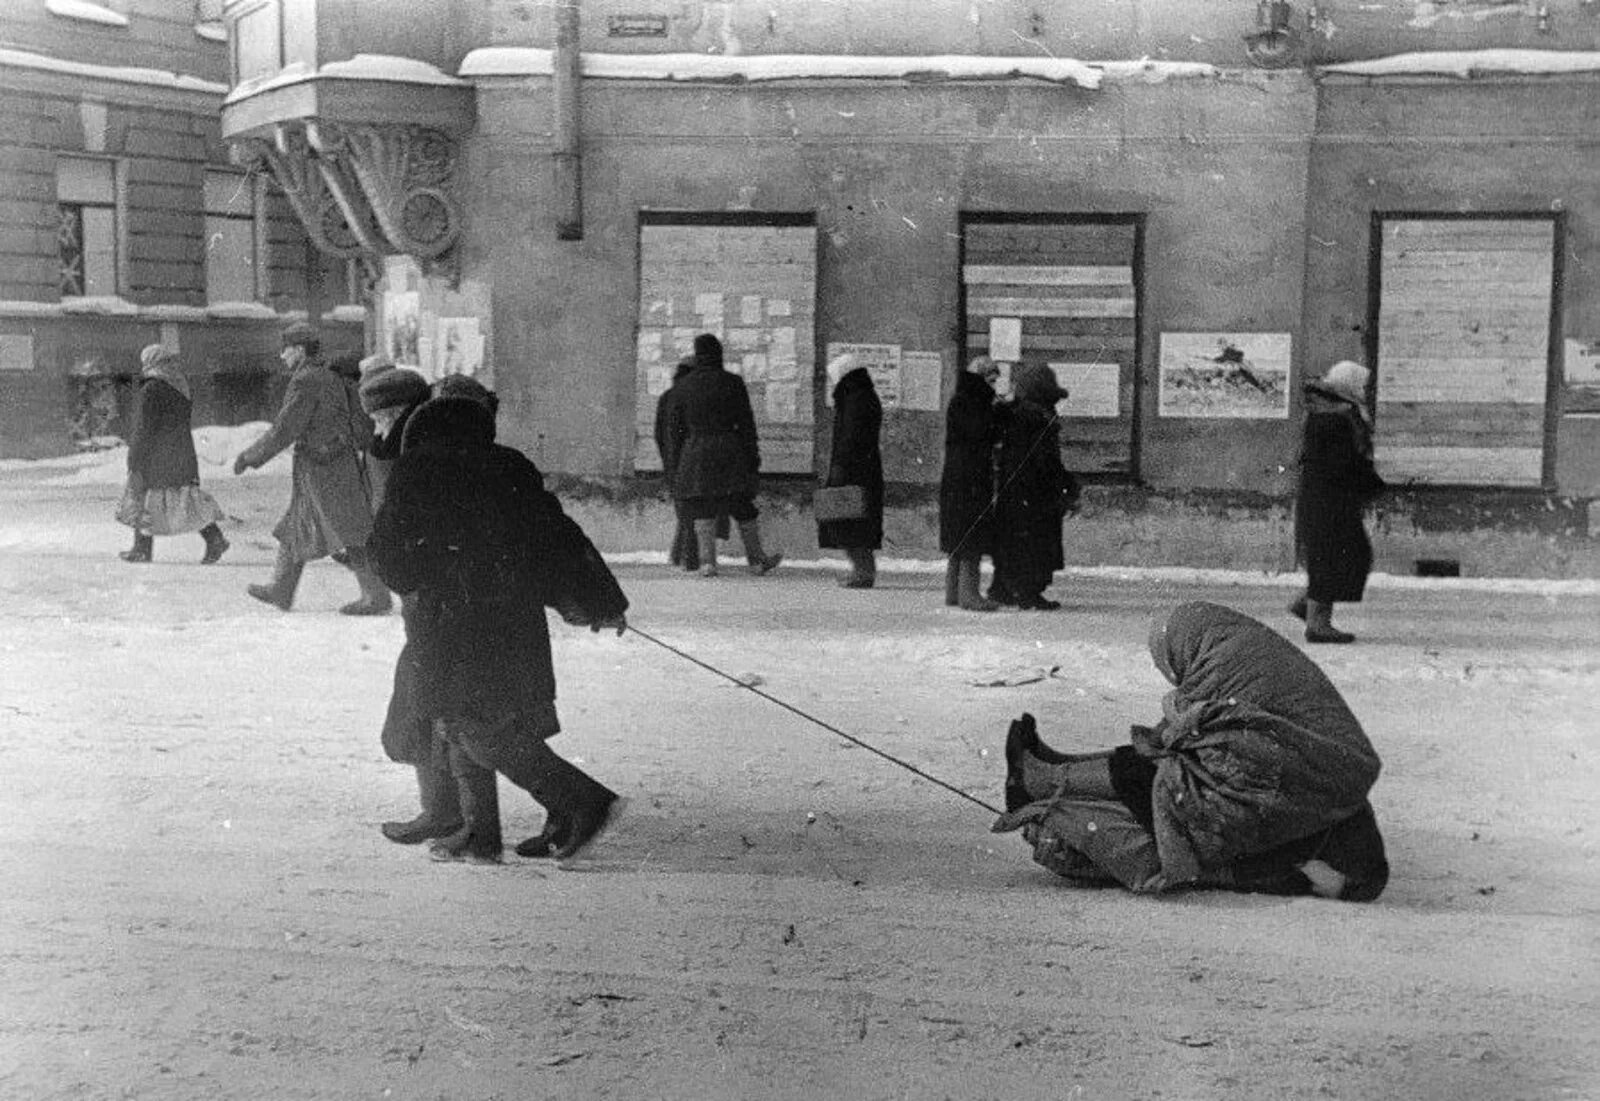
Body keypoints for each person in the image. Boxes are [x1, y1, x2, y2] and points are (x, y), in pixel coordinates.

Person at [368, 377, 630, 865]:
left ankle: (582, 800)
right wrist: (600, 600)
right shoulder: (510, 464)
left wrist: (423, 571)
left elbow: (390, 560)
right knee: (464, 720)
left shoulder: (417, 469)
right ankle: (480, 834)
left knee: (473, 727)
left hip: (450, 622)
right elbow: (558, 539)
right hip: (512, 621)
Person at [994, 600, 1389, 902]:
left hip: (1284, 802)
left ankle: (1047, 780)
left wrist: (1317, 881)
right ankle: (1054, 773)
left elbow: (1360, 880)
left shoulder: (1334, 830)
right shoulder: (1238, 659)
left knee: (1162, 775)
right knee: (1165, 765)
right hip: (1299, 783)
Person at [233, 322, 390, 615]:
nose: (282, 356)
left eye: (286, 349)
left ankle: (376, 595)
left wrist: (251, 456)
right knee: (297, 524)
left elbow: (286, 427)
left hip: (325, 467)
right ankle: (281, 589)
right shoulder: (328, 376)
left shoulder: (306, 380)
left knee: (349, 529)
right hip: (328, 464)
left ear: (300, 350)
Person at [660, 333, 781, 578]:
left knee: (703, 505)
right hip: (730, 449)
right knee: (741, 503)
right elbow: (747, 424)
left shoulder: (683, 387)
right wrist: (752, 457)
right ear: (719, 354)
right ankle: (757, 560)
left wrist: (675, 467)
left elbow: (674, 432)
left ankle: (708, 563)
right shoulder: (733, 382)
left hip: (696, 452)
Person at [1290, 360, 1386, 644]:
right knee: (1332, 559)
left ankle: (1308, 605)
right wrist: (1371, 484)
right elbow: (1344, 463)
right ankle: (1317, 623)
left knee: (1346, 556)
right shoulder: (1332, 418)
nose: (1366, 389)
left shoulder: (1334, 412)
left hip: (1330, 500)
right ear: (1349, 384)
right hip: (1329, 502)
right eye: (1362, 384)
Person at [115, 343, 229, 565]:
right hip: (180, 452)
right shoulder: (179, 385)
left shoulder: (152, 388)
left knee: (143, 497)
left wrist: (135, 456)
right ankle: (214, 538)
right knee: (183, 500)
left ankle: (142, 550)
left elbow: (144, 427)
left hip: (156, 455)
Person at [990, 362, 1077, 611]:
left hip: (1015, 490)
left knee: (1013, 541)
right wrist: (1064, 485)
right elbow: (1046, 460)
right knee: (1034, 544)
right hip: (1034, 493)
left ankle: (1003, 588)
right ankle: (1028, 591)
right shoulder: (1037, 418)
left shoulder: (1019, 414)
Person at [939, 355, 1003, 612]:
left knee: (958, 537)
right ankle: (969, 594)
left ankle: (953, 592)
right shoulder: (976, 402)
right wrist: (997, 414)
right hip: (972, 478)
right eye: (991, 379)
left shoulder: (961, 398)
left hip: (957, 477)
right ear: (982, 377)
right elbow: (983, 434)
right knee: (971, 537)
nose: (994, 384)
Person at [817, 353, 884, 589]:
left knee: (849, 522)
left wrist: (839, 468)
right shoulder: (863, 396)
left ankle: (863, 572)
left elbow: (850, 438)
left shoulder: (856, 400)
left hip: (853, 471)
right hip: (863, 470)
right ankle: (863, 570)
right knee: (853, 522)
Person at [654, 356, 703, 572]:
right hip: (691, 459)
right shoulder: (692, 398)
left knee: (684, 511)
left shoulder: (667, 396)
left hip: (672, 461)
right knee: (690, 511)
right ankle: (687, 557)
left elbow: (658, 433)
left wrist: (666, 458)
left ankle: (678, 555)